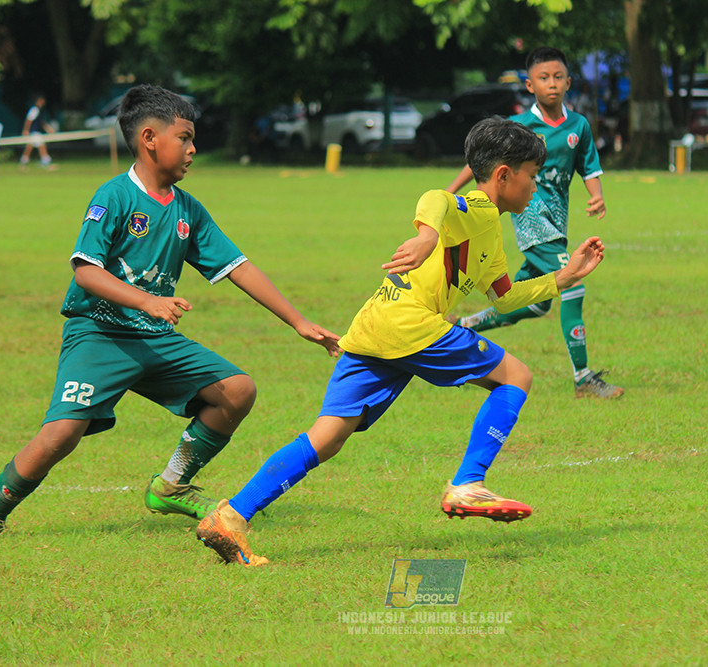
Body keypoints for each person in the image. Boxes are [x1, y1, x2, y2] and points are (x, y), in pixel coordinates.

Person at [194, 117, 608, 566]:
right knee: (517, 376)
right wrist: (427, 234)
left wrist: (562, 278)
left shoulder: (490, 232)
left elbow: (506, 298)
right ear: (504, 175)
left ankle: (232, 516)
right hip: (412, 326)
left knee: (328, 437)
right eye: (532, 175)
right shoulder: (479, 208)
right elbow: (437, 199)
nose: (536, 185)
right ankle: (468, 483)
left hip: (377, 324)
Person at [0, 84, 341, 541]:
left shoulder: (187, 210)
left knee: (237, 391)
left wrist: (299, 322)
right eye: (184, 137)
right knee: (62, 434)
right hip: (99, 334)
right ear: (149, 139)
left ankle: (171, 485)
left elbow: (238, 267)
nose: (193, 148)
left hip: (154, 337)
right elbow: (86, 271)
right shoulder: (115, 196)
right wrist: (148, 300)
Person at [445, 47, 622, 400]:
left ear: (569, 82)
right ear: (530, 85)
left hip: (558, 222)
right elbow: (481, 159)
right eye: (544, 78)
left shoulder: (579, 126)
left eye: (558, 77)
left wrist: (596, 194)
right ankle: (583, 378)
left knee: (531, 301)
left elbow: (589, 167)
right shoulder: (520, 127)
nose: (552, 84)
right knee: (573, 286)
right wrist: (450, 191)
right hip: (530, 217)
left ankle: (462, 327)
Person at [19, 95, 56, 170]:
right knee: (41, 145)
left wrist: (48, 129)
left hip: (36, 131)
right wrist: (26, 130)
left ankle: (23, 163)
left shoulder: (39, 110)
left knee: (29, 147)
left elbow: (41, 122)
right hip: (34, 132)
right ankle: (46, 162)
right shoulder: (34, 110)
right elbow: (28, 120)